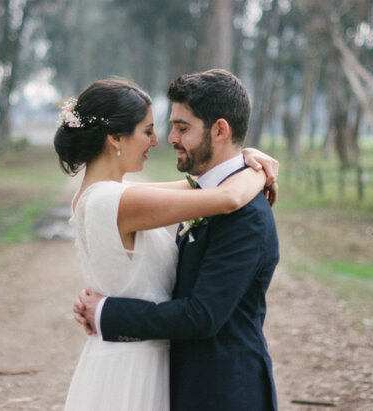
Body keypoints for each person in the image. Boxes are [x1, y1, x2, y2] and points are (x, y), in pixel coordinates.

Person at [54, 76, 278, 411]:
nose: (161, 140)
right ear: (115, 137)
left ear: (219, 129)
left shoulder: (112, 196)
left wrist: (248, 159)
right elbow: (226, 196)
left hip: (177, 372)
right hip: (131, 368)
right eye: (148, 130)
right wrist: (261, 170)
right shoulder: (114, 201)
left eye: (179, 128)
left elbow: (202, 188)